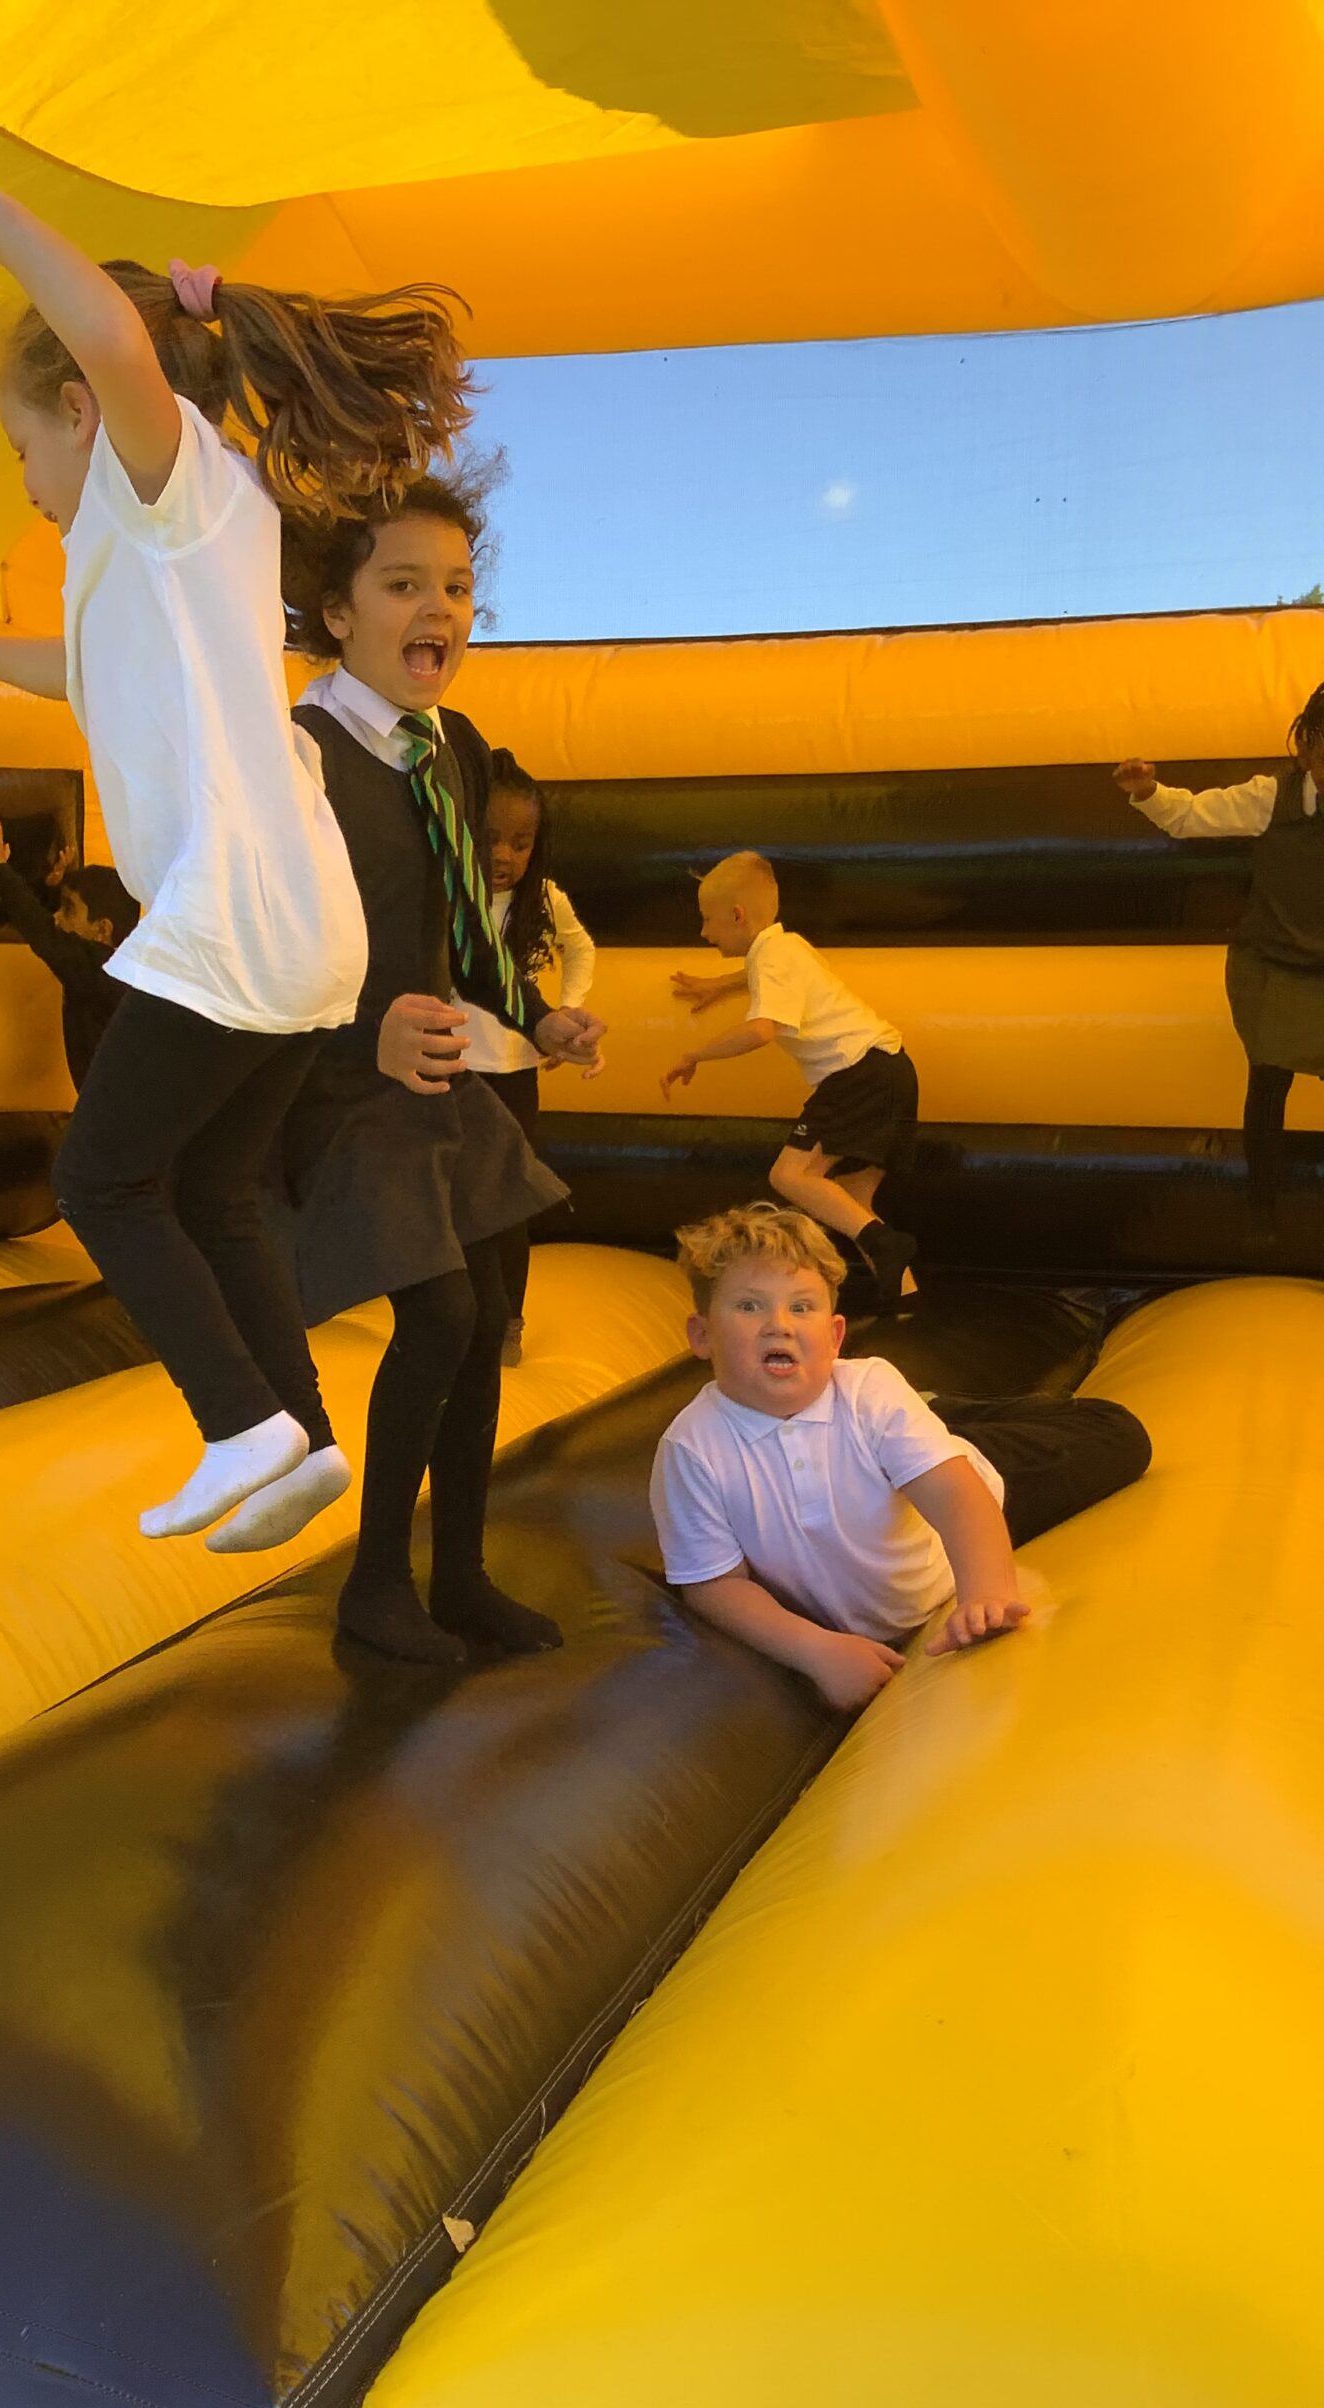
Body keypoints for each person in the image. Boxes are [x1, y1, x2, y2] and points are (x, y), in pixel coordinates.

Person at [0, 161, 473, 1546]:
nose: (25, 482)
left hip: (236, 915)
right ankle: (299, 1440)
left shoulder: (170, 486)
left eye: (22, 447)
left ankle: (235, 1423)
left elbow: (105, 333)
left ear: (83, 413)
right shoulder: (164, 548)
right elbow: (88, 670)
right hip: (300, 931)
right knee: (215, 1189)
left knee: (101, 1180)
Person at [269, 476, 608, 1664]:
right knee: (444, 1311)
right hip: (325, 1081)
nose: (441, 610)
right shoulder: (297, 756)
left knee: (484, 1315)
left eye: (457, 587)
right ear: (337, 612)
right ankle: (375, 1583)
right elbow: (253, 948)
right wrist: (362, 1031)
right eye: (404, 584)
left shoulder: (451, 747)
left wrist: (536, 1018)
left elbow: (466, 923)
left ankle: (457, 1574)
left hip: (428, 1075)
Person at [650, 1204, 1151, 1712]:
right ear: (702, 1335)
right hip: (890, 1461)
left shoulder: (867, 1391)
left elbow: (957, 1494)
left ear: (835, 1337)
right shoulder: (692, 1449)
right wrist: (816, 1650)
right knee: (903, 1442)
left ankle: (935, 1418)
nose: (778, 1325)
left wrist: (986, 1593)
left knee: (1118, 1434)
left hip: (975, 1492)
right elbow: (716, 1586)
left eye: (801, 1308)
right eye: (749, 1306)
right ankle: (926, 1419)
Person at [665, 850, 918, 1312]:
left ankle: (889, 1247)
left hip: (856, 1073)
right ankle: (904, 1299)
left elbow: (762, 1030)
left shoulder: (773, 957)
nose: (703, 932)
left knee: (789, 1175)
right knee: (852, 1201)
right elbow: (760, 973)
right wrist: (718, 985)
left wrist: (695, 1055)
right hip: (892, 1069)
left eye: (707, 920)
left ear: (737, 916)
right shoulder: (786, 947)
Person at [1116, 689, 1324, 1233]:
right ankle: (1262, 1207)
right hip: (1273, 963)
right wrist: (1149, 793)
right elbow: (1189, 816)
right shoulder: (1271, 797)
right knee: (1269, 1078)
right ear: (1307, 750)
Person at [460, 747, 596, 1365]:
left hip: (512, 1070)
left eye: (520, 843)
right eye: (490, 839)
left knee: (508, 1202)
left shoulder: (542, 900)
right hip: (455, 1067)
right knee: (458, 1199)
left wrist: (567, 1010)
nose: (504, 856)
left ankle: (508, 1322)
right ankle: (463, 1316)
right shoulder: (451, 897)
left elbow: (581, 948)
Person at [0, 811, 138, 1090]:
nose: (57, 917)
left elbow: (45, 934)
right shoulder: (107, 968)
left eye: (69, 910)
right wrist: (53, 887)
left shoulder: (107, 971)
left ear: (102, 930)